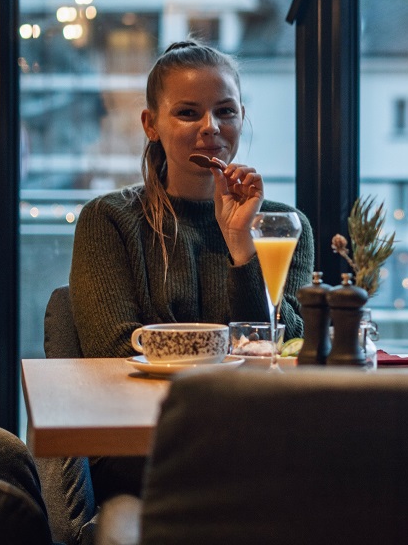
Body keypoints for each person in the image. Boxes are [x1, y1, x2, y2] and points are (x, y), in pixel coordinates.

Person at [68, 39, 315, 502]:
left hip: (259, 435)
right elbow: (114, 353)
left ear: (242, 116)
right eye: (187, 113)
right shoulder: (110, 220)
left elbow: (289, 346)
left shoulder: (283, 225)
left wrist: (241, 244)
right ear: (151, 124)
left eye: (226, 111)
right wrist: (232, 362)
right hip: (145, 448)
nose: (211, 128)